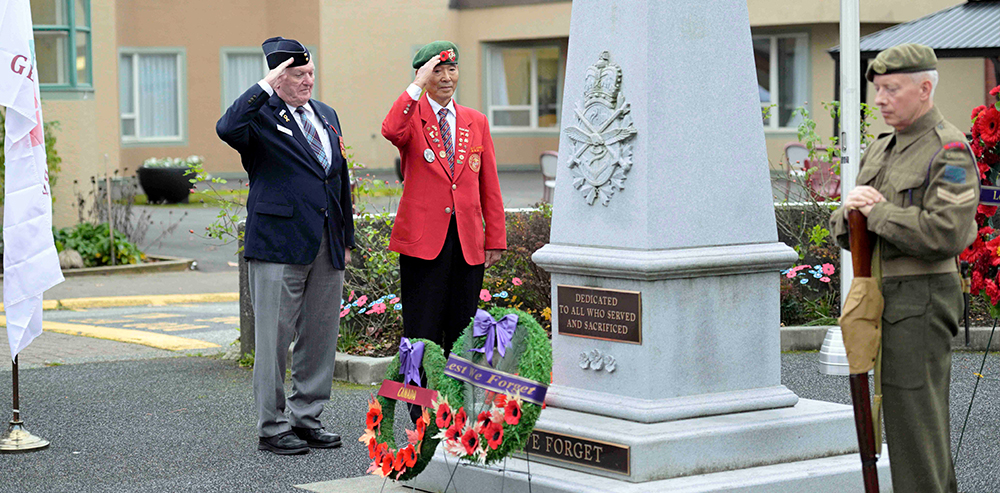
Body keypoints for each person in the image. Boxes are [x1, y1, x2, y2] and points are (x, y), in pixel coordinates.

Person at [830, 43, 977, 493]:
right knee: (892, 421)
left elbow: (946, 234)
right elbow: (848, 225)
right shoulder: (881, 149)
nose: (880, 99)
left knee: (916, 428)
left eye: (892, 89)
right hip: (882, 296)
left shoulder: (948, 151)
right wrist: (849, 213)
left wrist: (877, 215)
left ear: (925, 88)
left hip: (922, 299)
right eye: (878, 89)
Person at [217, 36, 354, 455]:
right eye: (297, 75)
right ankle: (272, 426)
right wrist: (264, 86)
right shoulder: (260, 116)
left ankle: (307, 417)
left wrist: (345, 239)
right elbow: (227, 127)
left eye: (310, 73)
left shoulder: (326, 114)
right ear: (277, 78)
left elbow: (339, 179)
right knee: (274, 340)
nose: (307, 81)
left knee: (319, 334)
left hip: (325, 242)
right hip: (278, 244)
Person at [381, 40, 506, 382]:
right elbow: (390, 130)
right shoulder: (413, 117)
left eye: (452, 69)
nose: (447, 77)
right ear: (423, 74)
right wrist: (416, 87)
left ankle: (456, 409)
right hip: (424, 243)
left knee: (463, 331)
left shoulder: (475, 121)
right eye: (437, 70)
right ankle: (419, 413)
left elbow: (489, 184)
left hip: (467, 244)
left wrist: (495, 237)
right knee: (421, 332)